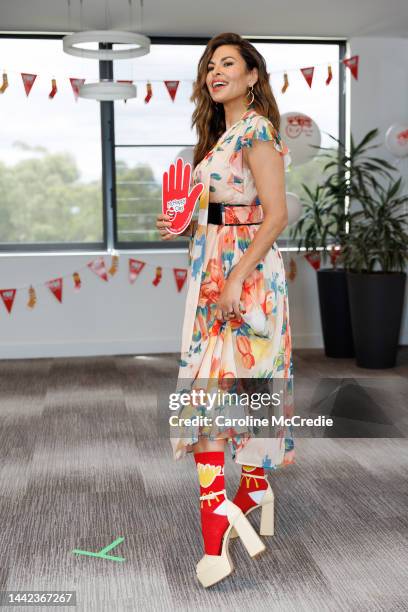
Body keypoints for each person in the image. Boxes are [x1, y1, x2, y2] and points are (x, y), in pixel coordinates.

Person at [156, 32, 295, 588]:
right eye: (211, 66)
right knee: (215, 397)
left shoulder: (258, 130)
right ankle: (240, 500)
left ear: (252, 76)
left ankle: (228, 518)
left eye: (228, 64)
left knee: (239, 393)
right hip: (212, 276)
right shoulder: (218, 140)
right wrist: (180, 219)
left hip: (247, 278)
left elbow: (277, 213)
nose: (216, 73)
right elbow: (218, 214)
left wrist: (237, 276)